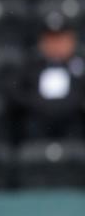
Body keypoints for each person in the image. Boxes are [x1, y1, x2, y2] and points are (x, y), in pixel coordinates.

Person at [9, 12, 85, 144]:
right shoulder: (29, 67)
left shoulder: (81, 66)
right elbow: (14, 93)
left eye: (60, 39)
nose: (56, 45)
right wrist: (40, 105)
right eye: (50, 39)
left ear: (71, 40)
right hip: (37, 129)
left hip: (75, 130)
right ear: (41, 42)